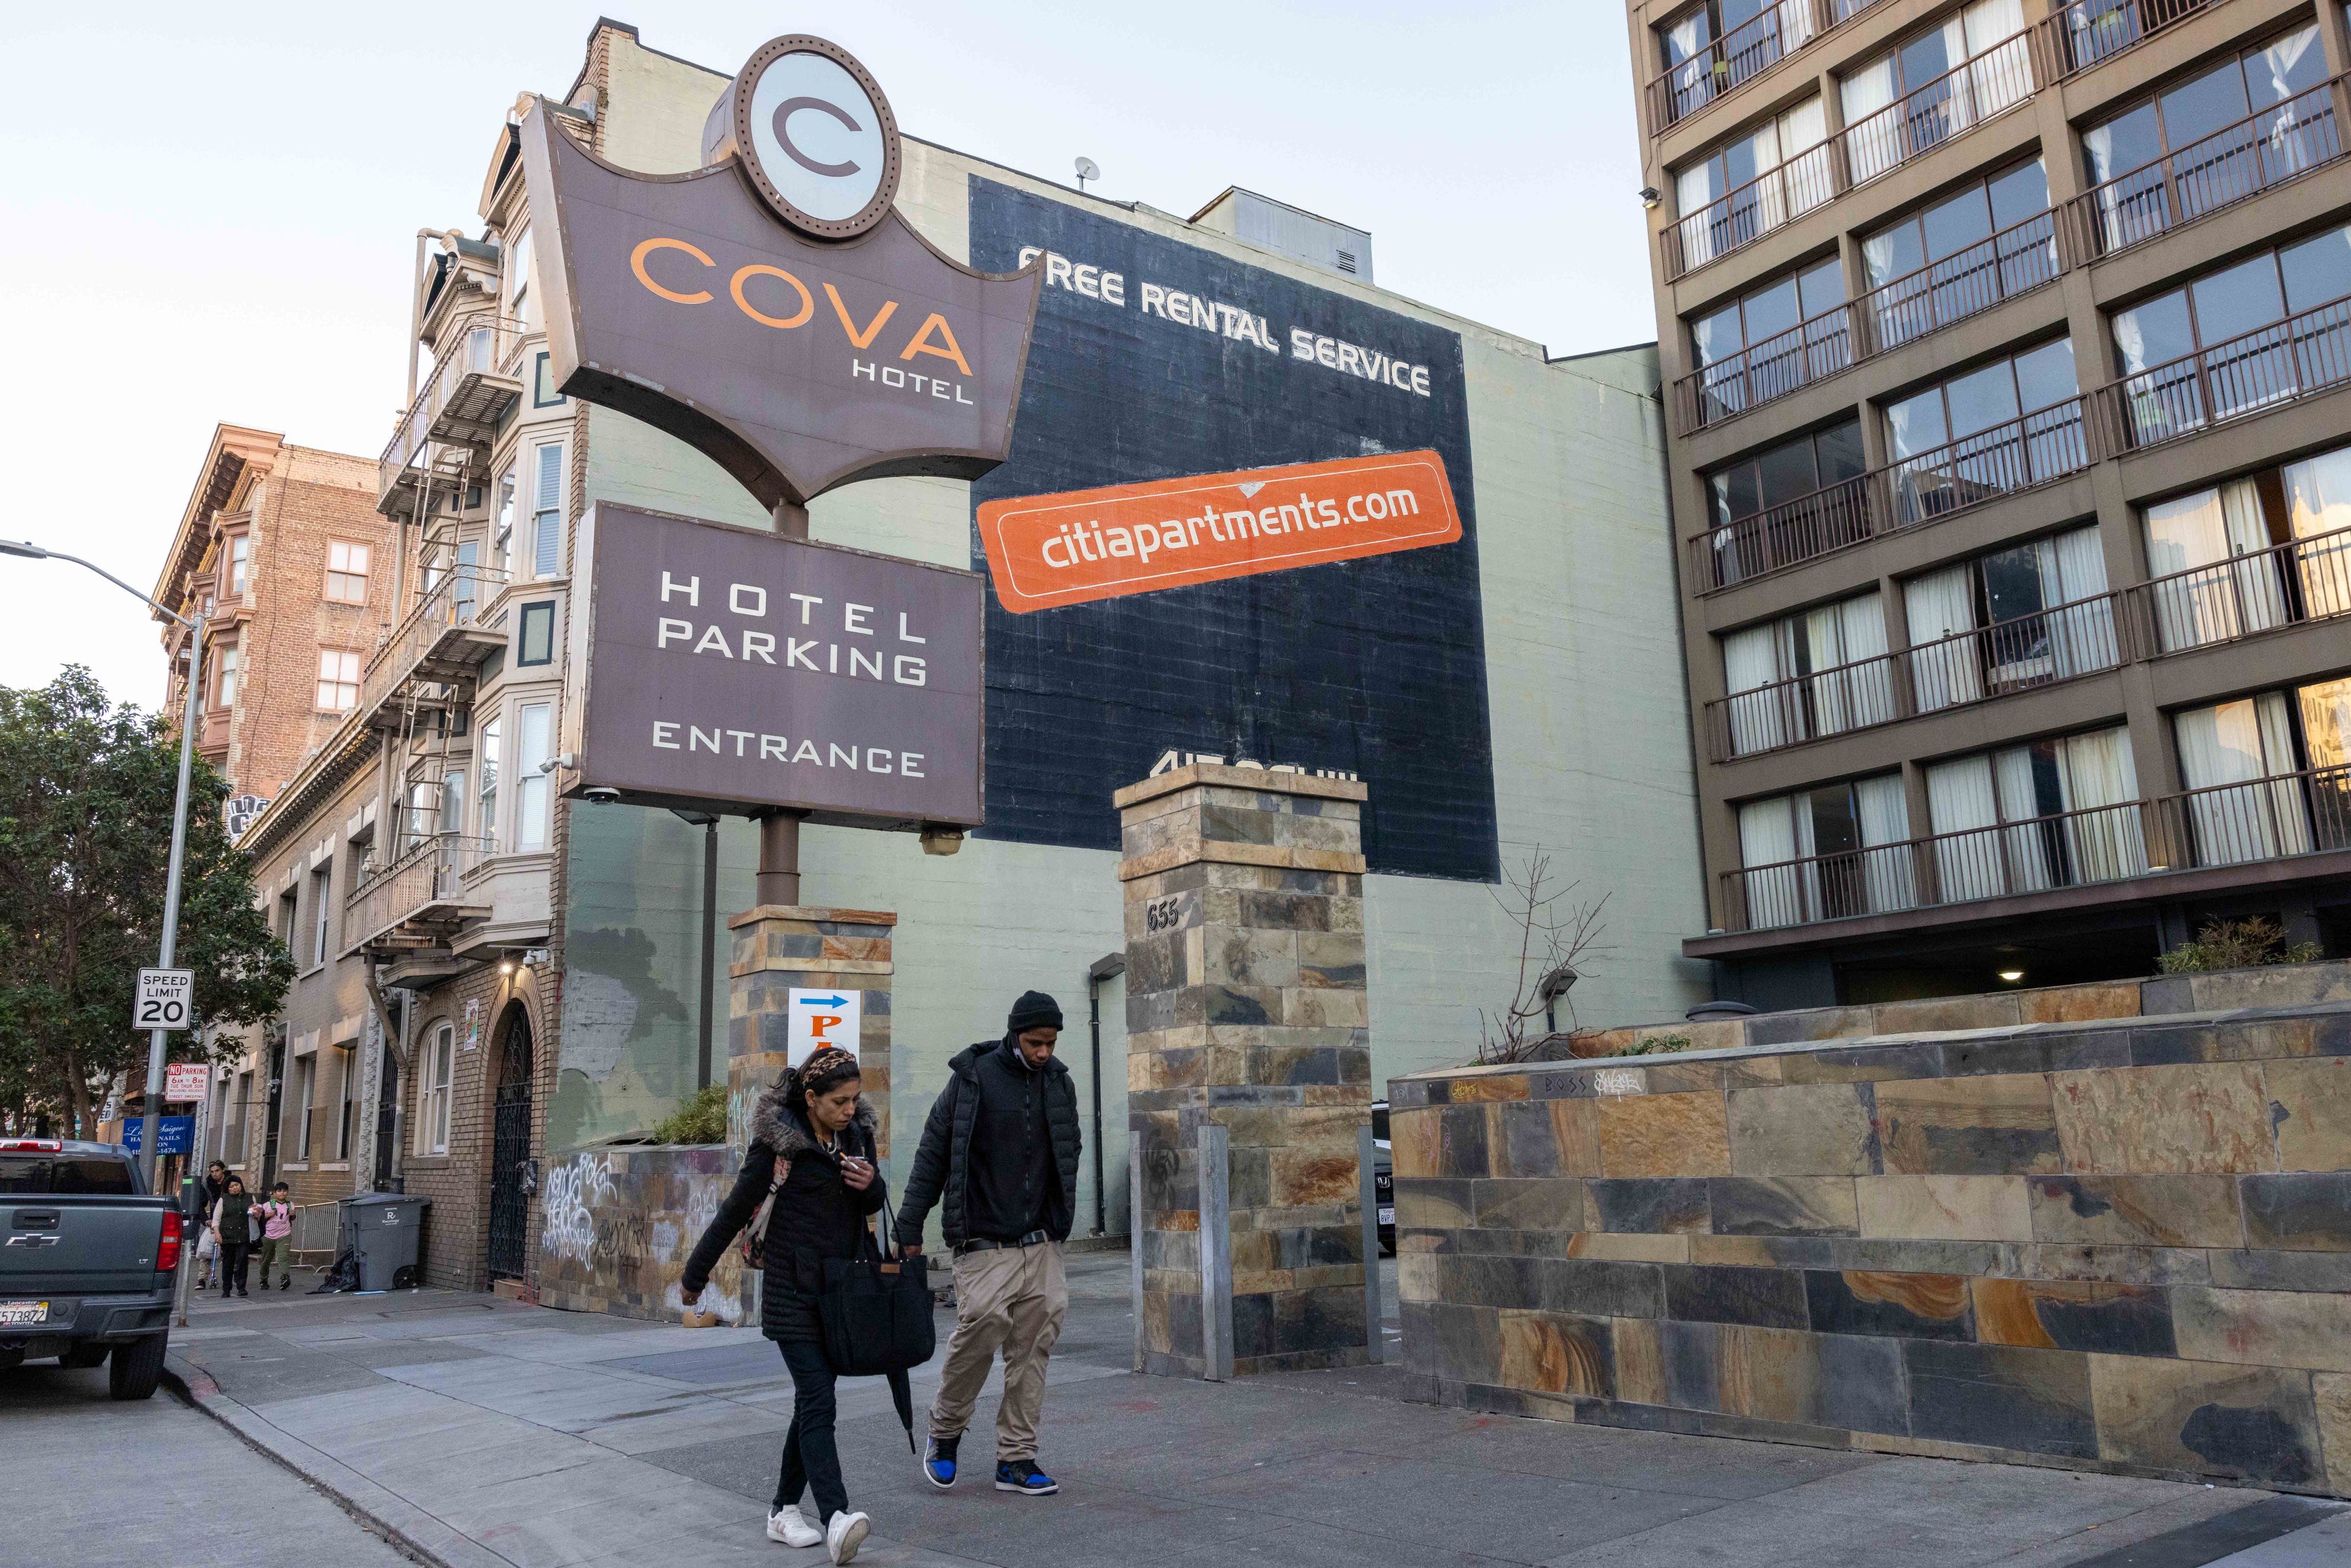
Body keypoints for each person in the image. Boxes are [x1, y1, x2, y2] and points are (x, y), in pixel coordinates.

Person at [682, 1046, 883, 1564]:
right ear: (811, 1098)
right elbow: (734, 1211)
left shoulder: (856, 1136)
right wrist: (694, 1275)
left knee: (810, 1402)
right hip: (792, 1294)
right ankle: (837, 1516)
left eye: (855, 1099)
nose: (849, 1109)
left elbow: (869, 1204)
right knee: (819, 1398)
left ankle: (782, 1509)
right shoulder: (778, 1147)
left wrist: (873, 1186)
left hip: (839, 1293)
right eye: (839, 1101)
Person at [896, 991, 1081, 1498]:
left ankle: (1017, 1459)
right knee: (982, 1327)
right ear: (1014, 1033)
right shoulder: (972, 1080)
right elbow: (933, 1154)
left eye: (1051, 1042)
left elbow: (1070, 1149)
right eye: (1035, 1041)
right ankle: (946, 1431)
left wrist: (1059, 1217)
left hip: (1040, 1243)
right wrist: (909, 1229)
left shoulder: (1059, 1084)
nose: (1044, 1051)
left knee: (1033, 1347)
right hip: (983, 1242)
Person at [211, 1176, 255, 1298]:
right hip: (228, 1236)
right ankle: (226, 1289)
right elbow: (216, 1218)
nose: (235, 1188)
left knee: (242, 1261)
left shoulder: (250, 1197)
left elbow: (255, 1214)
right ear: (227, 1189)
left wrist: (257, 1213)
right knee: (228, 1263)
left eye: (237, 1185)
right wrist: (217, 1233)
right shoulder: (224, 1199)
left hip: (244, 1235)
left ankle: (241, 1288)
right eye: (231, 1186)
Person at [253, 1182, 296, 1291]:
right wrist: (268, 1215)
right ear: (275, 1193)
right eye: (279, 1191)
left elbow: (291, 1218)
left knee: (283, 1257)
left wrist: (293, 1215)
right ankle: (263, 1280)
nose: (282, 1193)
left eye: (285, 1191)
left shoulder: (290, 1204)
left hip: (284, 1235)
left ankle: (285, 1278)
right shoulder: (267, 1204)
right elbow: (256, 1216)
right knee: (266, 1259)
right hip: (268, 1236)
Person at [194, 1161, 228, 1290]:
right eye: (212, 1171)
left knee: (231, 1249)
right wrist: (206, 1220)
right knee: (207, 1250)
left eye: (217, 1171)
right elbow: (200, 1204)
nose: (215, 1174)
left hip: (230, 1218)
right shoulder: (207, 1184)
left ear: (223, 1170)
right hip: (215, 1219)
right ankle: (202, 1279)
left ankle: (233, 1275)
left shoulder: (231, 1182)